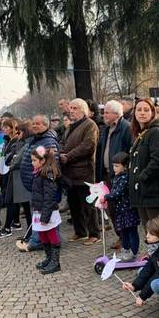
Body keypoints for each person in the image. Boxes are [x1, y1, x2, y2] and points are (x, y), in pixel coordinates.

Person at [17, 116, 59, 251]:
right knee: (38, 213)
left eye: (38, 124)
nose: (34, 126)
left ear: (46, 125)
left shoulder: (48, 141)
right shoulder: (36, 139)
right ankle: (41, 239)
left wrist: (43, 179)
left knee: (45, 213)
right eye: (33, 123)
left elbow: (53, 163)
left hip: (42, 184)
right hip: (34, 184)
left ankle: (42, 241)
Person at [62, 98, 100, 245]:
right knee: (74, 205)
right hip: (69, 173)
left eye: (75, 108)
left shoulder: (90, 125)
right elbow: (63, 143)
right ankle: (80, 231)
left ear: (83, 110)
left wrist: (68, 156)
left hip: (84, 171)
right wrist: (59, 152)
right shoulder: (70, 126)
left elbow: (88, 146)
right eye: (70, 108)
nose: (71, 110)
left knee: (88, 205)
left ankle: (94, 233)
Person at [95, 100, 133, 248]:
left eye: (107, 112)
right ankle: (121, 236)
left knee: (119, 209)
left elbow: (128, 151)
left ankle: (125, 238)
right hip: (107, 175)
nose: (104, 115)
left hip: (119, 176)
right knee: (110, 209)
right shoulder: (106, 129)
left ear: (116, 114)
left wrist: (123, 170)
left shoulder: (125, 128)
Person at [128, 99, 159, 229]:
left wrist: (142, 177)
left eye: (146, 110)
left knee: (157, 230)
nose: (142, 113)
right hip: (141, 192)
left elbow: (158, 161)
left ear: (152, 113)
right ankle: (152, 250)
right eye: (139, 110)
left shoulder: (156, 132)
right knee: (148, 230)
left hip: (152, 191)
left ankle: (158, 250)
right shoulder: (140, 133)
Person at [99, 152, 140, 260]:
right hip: (120, 210)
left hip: (128, 210)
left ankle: (133, 252)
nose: (114, 168)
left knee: (132, 231)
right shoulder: (116, 177)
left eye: (117, 166)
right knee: (124, 232)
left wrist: (107, 196)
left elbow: (118, 192)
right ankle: (125, 249)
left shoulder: (125, 178)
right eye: (113, 165)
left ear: (125, 166)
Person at [31, 147, 62, 274]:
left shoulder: (47, 175)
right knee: (42, 234)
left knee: (51, 233)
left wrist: (45, 216)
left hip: (48, 211)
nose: (32, 163)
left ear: (42, 161)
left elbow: (49, 197)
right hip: (40, 210)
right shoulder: (38, 173)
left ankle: (55, 262)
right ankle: (49, 258)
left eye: (34, 160)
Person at [0, 118, 25, 238]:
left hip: (13, 172)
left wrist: (6, 158)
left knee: (11, 199)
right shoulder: (8, 139)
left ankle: (7, 227)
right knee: (13, 199)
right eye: (4, 127)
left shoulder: (17, 140)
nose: (4, 129)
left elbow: (13, 156)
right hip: (7, 171)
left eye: (6, 127)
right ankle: (16, 222)